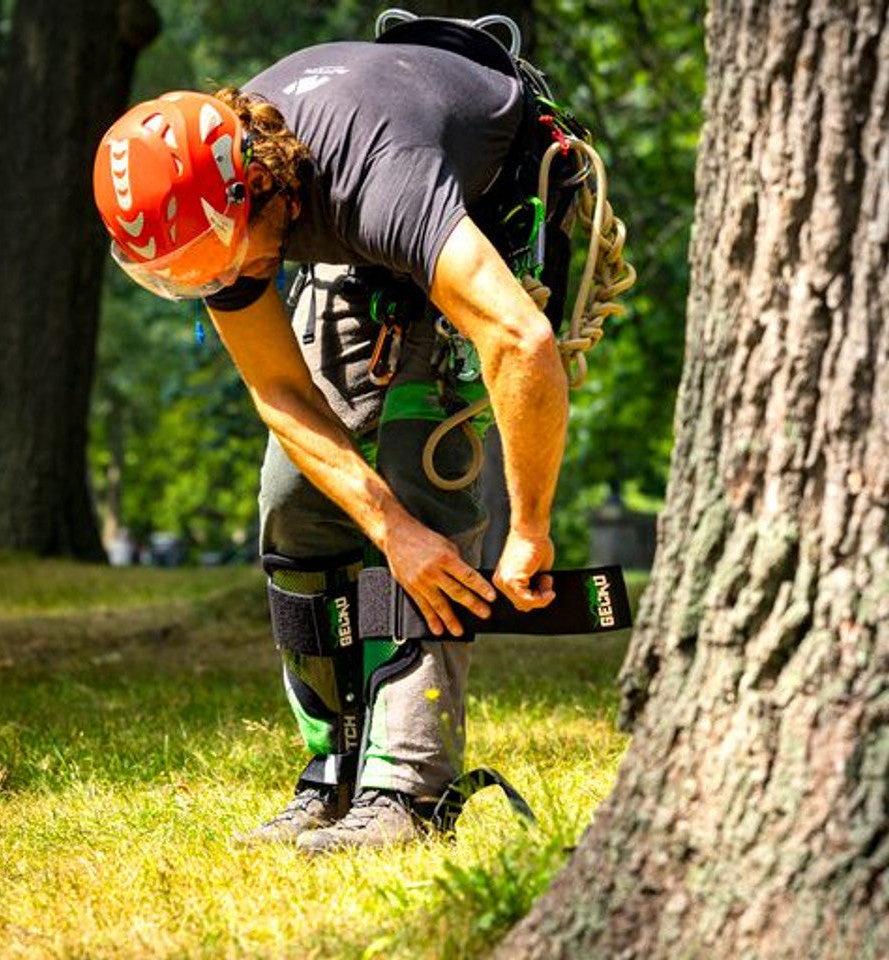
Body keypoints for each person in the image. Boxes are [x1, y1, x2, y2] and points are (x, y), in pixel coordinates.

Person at [93, 17, 569, 853]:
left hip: (482, 203)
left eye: (219, 261)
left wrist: (527, 530)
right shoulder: (221, 216)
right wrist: (387, 531)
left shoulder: (378, 179)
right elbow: (280, 390)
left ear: (261, 189)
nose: (220, 283)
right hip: (357, 240)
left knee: (426, 476)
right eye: (190, 275)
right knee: (294, 499)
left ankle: (407, 788)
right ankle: (333, 769)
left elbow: (520, 341)